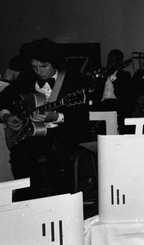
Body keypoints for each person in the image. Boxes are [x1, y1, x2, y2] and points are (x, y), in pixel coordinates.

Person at [0, 38, 90, 201]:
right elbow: (4, 97)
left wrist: (55, 116)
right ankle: (28, 205)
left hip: (63, 133)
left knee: (56, 160)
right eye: (35, 67)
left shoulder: (73, 80)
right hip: (32, 132)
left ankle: (61, 207)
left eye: (44, 66)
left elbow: (81, 118)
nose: (39, 72)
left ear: (55, 63)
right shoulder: (27, 77)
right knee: (20, 156)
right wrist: (7, 115)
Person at [90, 49, 132, 131]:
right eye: (109, 60)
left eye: (113, 61)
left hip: (116, 106)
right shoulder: (103, 74)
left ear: (119, 62)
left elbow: (122, 95)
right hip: (102, 105)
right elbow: (96, 93)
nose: (109, 63)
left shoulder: (125, 75)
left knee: (110, 104)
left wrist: (113, 78)